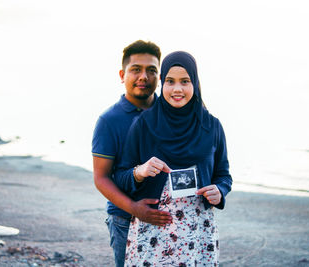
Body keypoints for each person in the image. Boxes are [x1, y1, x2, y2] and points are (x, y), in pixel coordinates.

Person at [115, 51, 232, 266]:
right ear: (162, 83)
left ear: (195, 84)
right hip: (152, 232)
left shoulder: (212, 126)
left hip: (198, 232)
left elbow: (224, 175)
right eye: (170, 81)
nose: (177, 89)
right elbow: (120, 177)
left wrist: (219, 191)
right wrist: (139, 172)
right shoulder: (143, 125)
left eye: (185, 81)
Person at [91, 40, 172, 267]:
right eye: (136, 69)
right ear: (122, 74)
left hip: (169, 218)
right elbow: (101, 178)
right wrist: (135, 209)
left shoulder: (172, 113)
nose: (144, 76)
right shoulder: (109, 120)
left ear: (160, 76)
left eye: (151, 70)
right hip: (125, 218)